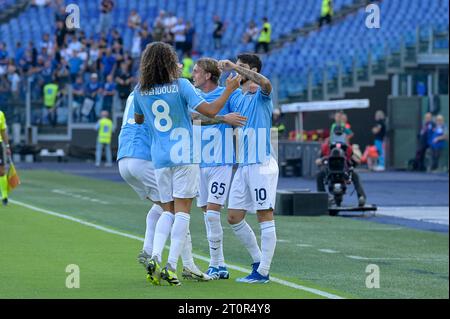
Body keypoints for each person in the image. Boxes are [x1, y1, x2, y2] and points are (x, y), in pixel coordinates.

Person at [133, 42, 241, 286]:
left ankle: (155, 256)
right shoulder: (181, 85)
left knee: (166, 210)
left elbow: (139, 120)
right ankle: (171, 265)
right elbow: (212, 110)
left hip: (159, 158)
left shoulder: (140, 89)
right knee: (182, 212)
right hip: (183, 154)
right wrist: (229, 89)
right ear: (169, 62)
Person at [117, 92, 211, 282]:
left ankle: (148, 249)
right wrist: (223, 118)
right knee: (178, 209)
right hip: (144, 156)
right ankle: (185, 264)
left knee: (162, 207)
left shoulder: (137, 91)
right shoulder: (166, 90)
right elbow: (191, 115)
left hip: (123, 157)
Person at [218, 53, 279, 284]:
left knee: (264, 215)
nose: (236, 70)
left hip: (261, 164)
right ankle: (257, 261)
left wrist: (235, 67)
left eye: (242, 67)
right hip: (243, 165)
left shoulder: (262, 95)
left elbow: (265, 83)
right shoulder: (237, 97)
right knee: (233, 217)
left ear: (252, 69)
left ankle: (263, 271)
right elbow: (220, 110)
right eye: (236, 66)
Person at [191, 57, 247, 279]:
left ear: (207, 75)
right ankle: (219, 264)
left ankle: (217, 264)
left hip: (221, 161)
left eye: (196, 71)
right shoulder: (193, 95)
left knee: (212, 214)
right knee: (207, 215)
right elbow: (194, 117)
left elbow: (241, 117)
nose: (192, 74)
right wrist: (224, 118)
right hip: (200, 163)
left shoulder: (230, 93)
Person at [315, 124, 367, 206]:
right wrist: (320, 160)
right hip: (329, 169)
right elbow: (319, 158)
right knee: (319, 175)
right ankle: (323, 197)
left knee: (355, 175)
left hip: (344, 169)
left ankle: (361, 198)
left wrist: (356, 161)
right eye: (337, 134)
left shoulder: (347, 148)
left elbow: (354, 158)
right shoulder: (326, 146)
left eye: (340, 134)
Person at [0, 110, 11, 206]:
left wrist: (7, 146)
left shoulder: (0, 114)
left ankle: (4, 195)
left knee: (1, 171)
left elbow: (3, 131)